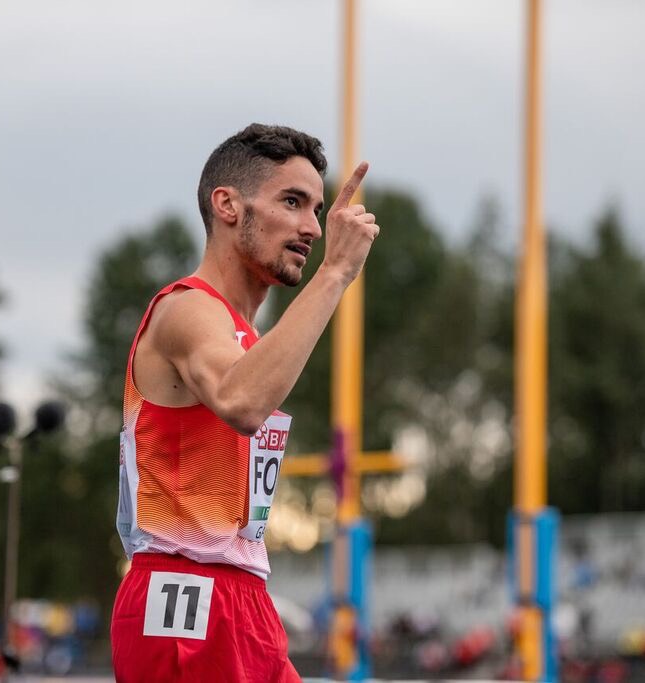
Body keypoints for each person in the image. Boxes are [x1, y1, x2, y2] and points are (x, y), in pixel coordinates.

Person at [110, 123, 379, 682]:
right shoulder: (187, 309)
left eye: (317, 208)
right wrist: (334, 273)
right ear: (227, 205)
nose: (312, 227)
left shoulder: (245, 335)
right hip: (185, 594)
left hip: (243, 592)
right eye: (292, 202)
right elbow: (241, 400)